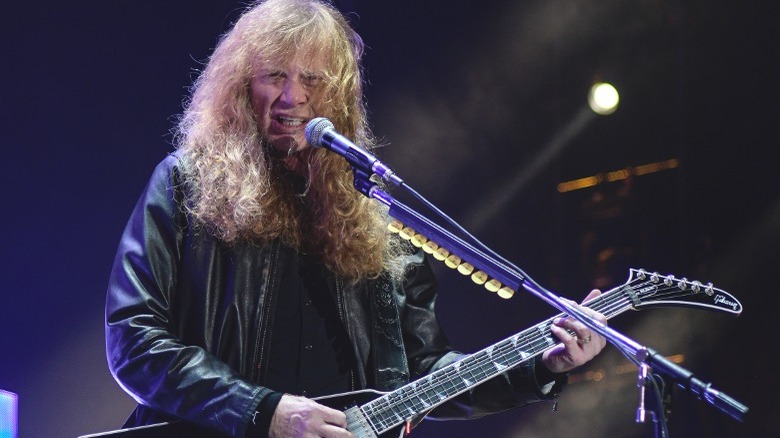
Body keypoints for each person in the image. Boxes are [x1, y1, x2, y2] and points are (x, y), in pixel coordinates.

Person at [104, 0, 608, 437]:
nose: (292, 96)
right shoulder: (186, 184)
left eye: (313, 79)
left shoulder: (373, 213)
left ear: (338, 97)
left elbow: (425, 374)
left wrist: (540, 366)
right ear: (242, 87)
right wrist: (262, 413)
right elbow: (133, 339)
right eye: (275, 75)